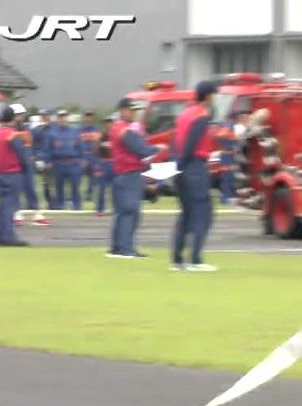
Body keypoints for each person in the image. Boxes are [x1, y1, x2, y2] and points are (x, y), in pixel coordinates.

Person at [171, 80, 219, 272]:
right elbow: (192, 142)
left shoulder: (184, 114)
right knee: (203, 213)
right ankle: (195, 259)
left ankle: (177, 259)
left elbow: (176, 142)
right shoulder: (202, 114)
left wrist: (177, 167)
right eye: (213, 95)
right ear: (207, 96)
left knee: (186, 214)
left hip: (181, 166)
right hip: (195, 166)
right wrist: (185, 163)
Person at [109, 99, 165, 258]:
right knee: (130, 212)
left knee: (122, 213)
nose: (134, 113)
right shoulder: (122, 129)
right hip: (129, 174)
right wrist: (157, 148)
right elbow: (140, 149)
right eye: (131, 110)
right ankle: (126, 248)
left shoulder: (119, 128)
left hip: (123, 174)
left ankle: (117, 247)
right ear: (122, 110)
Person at [0, 106, 30, 247]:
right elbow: (21, 154)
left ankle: (0, 235)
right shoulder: (12, 134)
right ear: (13, 117)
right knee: (10, 206)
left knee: (1, 206)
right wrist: (26, 168)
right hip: (12, 173)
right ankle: (9, 236)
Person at [9, 104, 51, 227]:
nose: (21, 117)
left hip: (27, 163)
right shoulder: (10, 130)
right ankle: (17, 214)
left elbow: (31, 144)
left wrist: (35, 157)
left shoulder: (26, 129)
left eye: (22, 114)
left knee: (31, 189)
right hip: (15, 164)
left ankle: (36, 214)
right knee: (16, 190)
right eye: (18, 115)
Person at [48, 109, 84, 210]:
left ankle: (77, 206)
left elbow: (79, 146)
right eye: (60, 117)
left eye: (64, 116)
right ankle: (60, 206)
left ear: (67, 118)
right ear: (58, 118)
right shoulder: (52, 133)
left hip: (73, 163)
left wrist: (82, 159)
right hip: (58, 163)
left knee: (75, 186)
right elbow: (48, 148)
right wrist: (48, 161)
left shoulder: (75, 131)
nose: (63, 119)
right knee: (59, 187)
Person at [31, 109, 55, 210]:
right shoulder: (36, 130)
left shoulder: (54, 129)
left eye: (46, 115)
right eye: (43, 115)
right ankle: (44, 204)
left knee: (53, 184)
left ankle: (54, 204)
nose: (44, 117)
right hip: (41, 160)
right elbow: (33, 145)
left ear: (49, 116)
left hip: (53, 160)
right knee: (43, 184)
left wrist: (51, 161)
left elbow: (56, 146)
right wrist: (36, 157)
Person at [79, 110, 102, 205]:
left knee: (93, 178)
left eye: (90, 116)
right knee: (78, 177)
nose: (88, 118)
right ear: (84, 117)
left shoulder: (96, 129)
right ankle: (76, 195)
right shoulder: (80, 130)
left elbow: (98, 144)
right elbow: (78, 144)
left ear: (92, 117)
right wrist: (82, 157)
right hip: (83, 156)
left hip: (93, 156)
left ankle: (89, 195)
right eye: (87, 115)